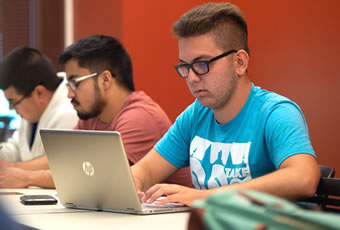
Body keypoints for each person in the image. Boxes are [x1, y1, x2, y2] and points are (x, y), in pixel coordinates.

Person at [131, 2, 321, 206]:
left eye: (202, 64)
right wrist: (131, 183)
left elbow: (304, 178)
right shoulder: (197, 114)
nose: (192, 78)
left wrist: (204, 197)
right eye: (186, 66)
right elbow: (144, 172)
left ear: (239, 62)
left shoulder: (276, 113)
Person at [57, 34, 192, 187]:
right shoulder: (92, 116)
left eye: (75, 82)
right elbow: (63, 160)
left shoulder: (139, 117)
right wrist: (24, 172)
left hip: (180, 210)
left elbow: (102, 176)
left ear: (105, 80)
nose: (70, 94)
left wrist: (28, 178)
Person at [0, 47, 78, 188]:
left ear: (39, 93)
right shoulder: (33, 112)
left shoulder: (69, 111)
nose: (11, 108)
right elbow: (16, 148)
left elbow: (57, 163)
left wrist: (10, 168)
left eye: (13, 102)